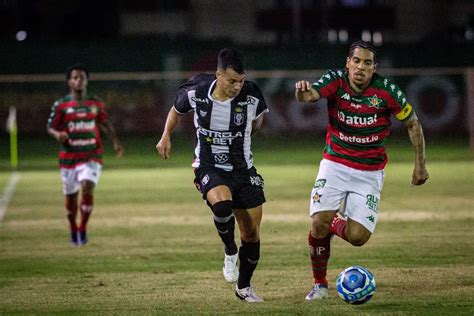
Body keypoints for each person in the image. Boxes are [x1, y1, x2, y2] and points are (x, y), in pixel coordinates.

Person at [294, 40, 429, 300]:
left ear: (374, 68)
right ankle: (320, 285)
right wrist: (302, 93)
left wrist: (420, 164)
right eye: (356, 61)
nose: (360, 68)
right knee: (318, 225)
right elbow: (310, 95)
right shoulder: (336, 80)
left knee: (358, 237)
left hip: (369, 172)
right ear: (348, 63)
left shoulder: (387, 90)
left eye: (367, 63)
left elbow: (413, 123)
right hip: (335, 164)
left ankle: (331, 219)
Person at [156, 48, 268, 302]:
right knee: (222, 205)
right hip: (209, 166)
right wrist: (165, 136)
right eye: (231, 81)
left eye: (240, 80)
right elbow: (176, 111)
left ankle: (244, 288)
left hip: (243, 169)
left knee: (251, 232)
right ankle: (230, 251)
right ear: (218, 75)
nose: (237, 86)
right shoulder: (196, 90)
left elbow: (257, 123)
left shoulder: (252, 94)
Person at [47, 64, 124, 246]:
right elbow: (50, 127)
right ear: (69, 81)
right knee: (71, 198)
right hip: (69, 158)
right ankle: (73, 228)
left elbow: (105, 124)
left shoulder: (95, 103)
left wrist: (115, 142)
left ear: (86, 81)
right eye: (75, 77)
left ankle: (83, 228)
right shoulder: (61, 105)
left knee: (87, 186)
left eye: (82, 77)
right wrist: (58, 135)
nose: (78, 80)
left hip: (91, 155)